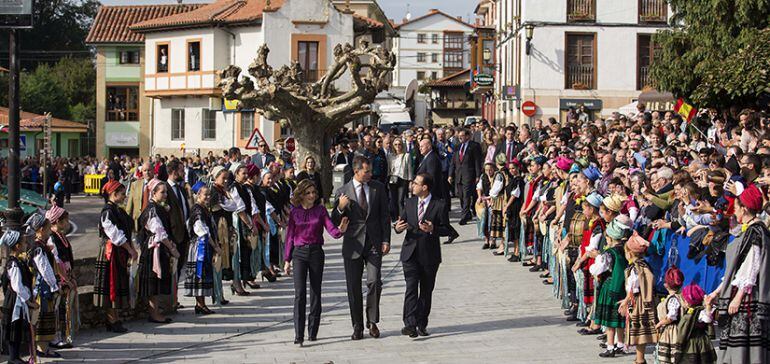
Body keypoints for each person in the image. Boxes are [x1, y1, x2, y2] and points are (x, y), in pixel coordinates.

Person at [707, 184, 769, 364]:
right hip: (745, 294)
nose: (734, 210)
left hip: (747, 299)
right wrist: (716, 292)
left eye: (736, 206)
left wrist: (738, 297)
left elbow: (751, 268)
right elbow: (736, 269)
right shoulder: (756, 230)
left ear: (744, 208)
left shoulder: (755, 232)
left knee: (744, 347)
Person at [332, 155, 391, 340]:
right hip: (353, 244)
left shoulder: (378, 188)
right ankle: (357, 325)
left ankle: (372, 321)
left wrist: (386, 240)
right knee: (353, 287)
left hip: (374, 242)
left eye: (370, 170)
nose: (370, 174)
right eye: (367, 171)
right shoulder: (343, 190)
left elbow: (384, 216)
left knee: (374, 281)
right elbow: (334, 220)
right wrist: (340, 208)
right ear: (356, 171)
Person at [283, 180, 348, 346]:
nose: (312, 195)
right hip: (299, 253)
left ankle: (313, 331)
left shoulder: (320, 210)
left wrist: (340, 230)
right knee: (299, 294)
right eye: (308, 193)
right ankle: (299, 334)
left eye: (313, 192)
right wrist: (287, 260)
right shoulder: (294, 212)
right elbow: (290, 236)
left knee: (315, 292)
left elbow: (331, 229)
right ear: (301, 195)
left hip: (316, 253)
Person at [395, 173, 451, 338]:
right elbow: (401, 223)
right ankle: (409, 324)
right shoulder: (410, 202)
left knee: (426, 291)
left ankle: (421, 323)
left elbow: (447, 229)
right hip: (410, 252)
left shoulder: (439, 204)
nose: (412, 185)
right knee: (411, 287)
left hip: (429, 255)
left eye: (416, 183)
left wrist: (433, 229)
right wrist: (397, 228)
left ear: (425, 187)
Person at [94, 180, 137, 333]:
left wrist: (130, 247)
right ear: (113, 194)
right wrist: (130, 249)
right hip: (110, 253)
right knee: (111, 284)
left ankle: (115, 317)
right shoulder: (108, 212)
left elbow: (127, 230)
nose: (125, 196)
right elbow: (115, 235)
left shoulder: (118, 210)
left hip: (118, 252)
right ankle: (112, 319)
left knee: (117, 284)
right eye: (122, 193)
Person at [137, 178, 180, 324]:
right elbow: (159, 232)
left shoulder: (158, 208)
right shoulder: (151, 210)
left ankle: (157, 311)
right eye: (162, 192)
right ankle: (154, 314)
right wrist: (172, 248)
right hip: (152, 250)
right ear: (153, 193)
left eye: (166, 192)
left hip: (159, 248)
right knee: (153, 283)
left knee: (156, 282)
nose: (165, 195)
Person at [591, 216, 630, 358]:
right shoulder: (625, 250)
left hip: (610, 286)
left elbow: (597, 269)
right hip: (622, 286)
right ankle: (620, 344)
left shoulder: (609, 253)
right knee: (619, 318)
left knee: (610, 321)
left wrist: (594, 262)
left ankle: (610, 347)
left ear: (611, 238)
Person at [25, 213, 61, 358]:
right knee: (43, 316)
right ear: (40, 230)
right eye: (47, 229)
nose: (49, 231)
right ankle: (41, 348)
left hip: (42, 287)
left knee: (47, 316)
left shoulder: (40, 246)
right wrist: (54, 285)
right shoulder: (38, 248)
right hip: (42, 289)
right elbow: (44, 269)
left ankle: (43, 347)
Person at [621, 231, 658, 364]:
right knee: (641, 331)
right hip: (646, 301)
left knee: (638, 331)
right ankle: (639, 358)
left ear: (630, 253)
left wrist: (625, 301)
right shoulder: (645, 265)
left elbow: (633, 288)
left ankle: (640, 359)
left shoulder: (634, 268)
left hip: (638, 302)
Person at [1, 229, 37, 364]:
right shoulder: (14, 264)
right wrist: (29, 301)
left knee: (16, 329)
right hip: (15, 300)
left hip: (17, 299)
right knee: (13, 328)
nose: (25, 243)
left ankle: (15, 357)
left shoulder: (17, 261)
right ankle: (13, 358)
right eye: (23, 241)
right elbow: (18, 286)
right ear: (17, 246)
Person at [184, 182, 220, 315]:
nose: (208, 197)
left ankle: (201, 303)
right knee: (199, 274)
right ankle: (200, 304)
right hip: (200, 246)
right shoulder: (197, 210)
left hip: (204, 244)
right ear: (198, 195)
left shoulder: (204, 208)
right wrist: (215, 246)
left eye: (209, 195)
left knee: (203, 275)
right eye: (205, 195)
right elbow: (202, 231)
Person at [46, 205, 78, 348]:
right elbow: (56, 261)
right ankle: (55, 337)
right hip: (59, 279)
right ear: (58, 221)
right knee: (57, 308)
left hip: (66, 277)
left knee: (64, 309)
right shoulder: (52, 239)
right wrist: (65, 279)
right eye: (65, 220)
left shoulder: (61, 236)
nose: (67, 223)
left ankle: (64, 335)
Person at [449, 128, 483, 225]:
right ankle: (467, 212)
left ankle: (464, 216)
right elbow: (453, 162)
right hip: (458, 175)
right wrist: (450, 174)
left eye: (462, 135)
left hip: (469, 174)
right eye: (459, 135)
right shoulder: (457, 146)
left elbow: (477, 161)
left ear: (468, 136)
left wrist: (478, 175)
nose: (460, 137)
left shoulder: (474, 146)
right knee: (460, 195)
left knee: (467, 195)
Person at [677, 284, 717, 364]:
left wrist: (708, 306)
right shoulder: (690, 312)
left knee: (695, 360)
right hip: (699, 341)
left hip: (696, 341)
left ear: (688, 302)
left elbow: (707, 319)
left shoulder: (700, 312)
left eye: (684, 300)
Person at [654, 267, 685, 364]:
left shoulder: (673, 299)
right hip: (671, 330)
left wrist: (659, 324)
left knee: (670, 356)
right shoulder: (679, 297)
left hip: (672, 332)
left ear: (666, 285)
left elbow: (671, 317)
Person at [387, 137, 413, 222]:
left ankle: (402, 218)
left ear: (402, 145)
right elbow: (388, 169)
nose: (398, 146)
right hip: (392, 179)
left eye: (399, 144)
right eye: (395, 144)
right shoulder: (390, 156)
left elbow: (409, 169)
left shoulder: (406, 155)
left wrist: (410, 181)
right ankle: (394, 217)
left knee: (400, 200)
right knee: (393, 199)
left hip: (403, 179)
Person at [126, 162, 154, 230]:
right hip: (139, 221)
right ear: (142, 172)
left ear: (153, 171)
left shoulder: (159, 184)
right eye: (145, 170)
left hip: (154, 222)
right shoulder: (135, 185)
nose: (147, 172)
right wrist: (127, 221)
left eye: (149, 170)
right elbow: (130, 205)